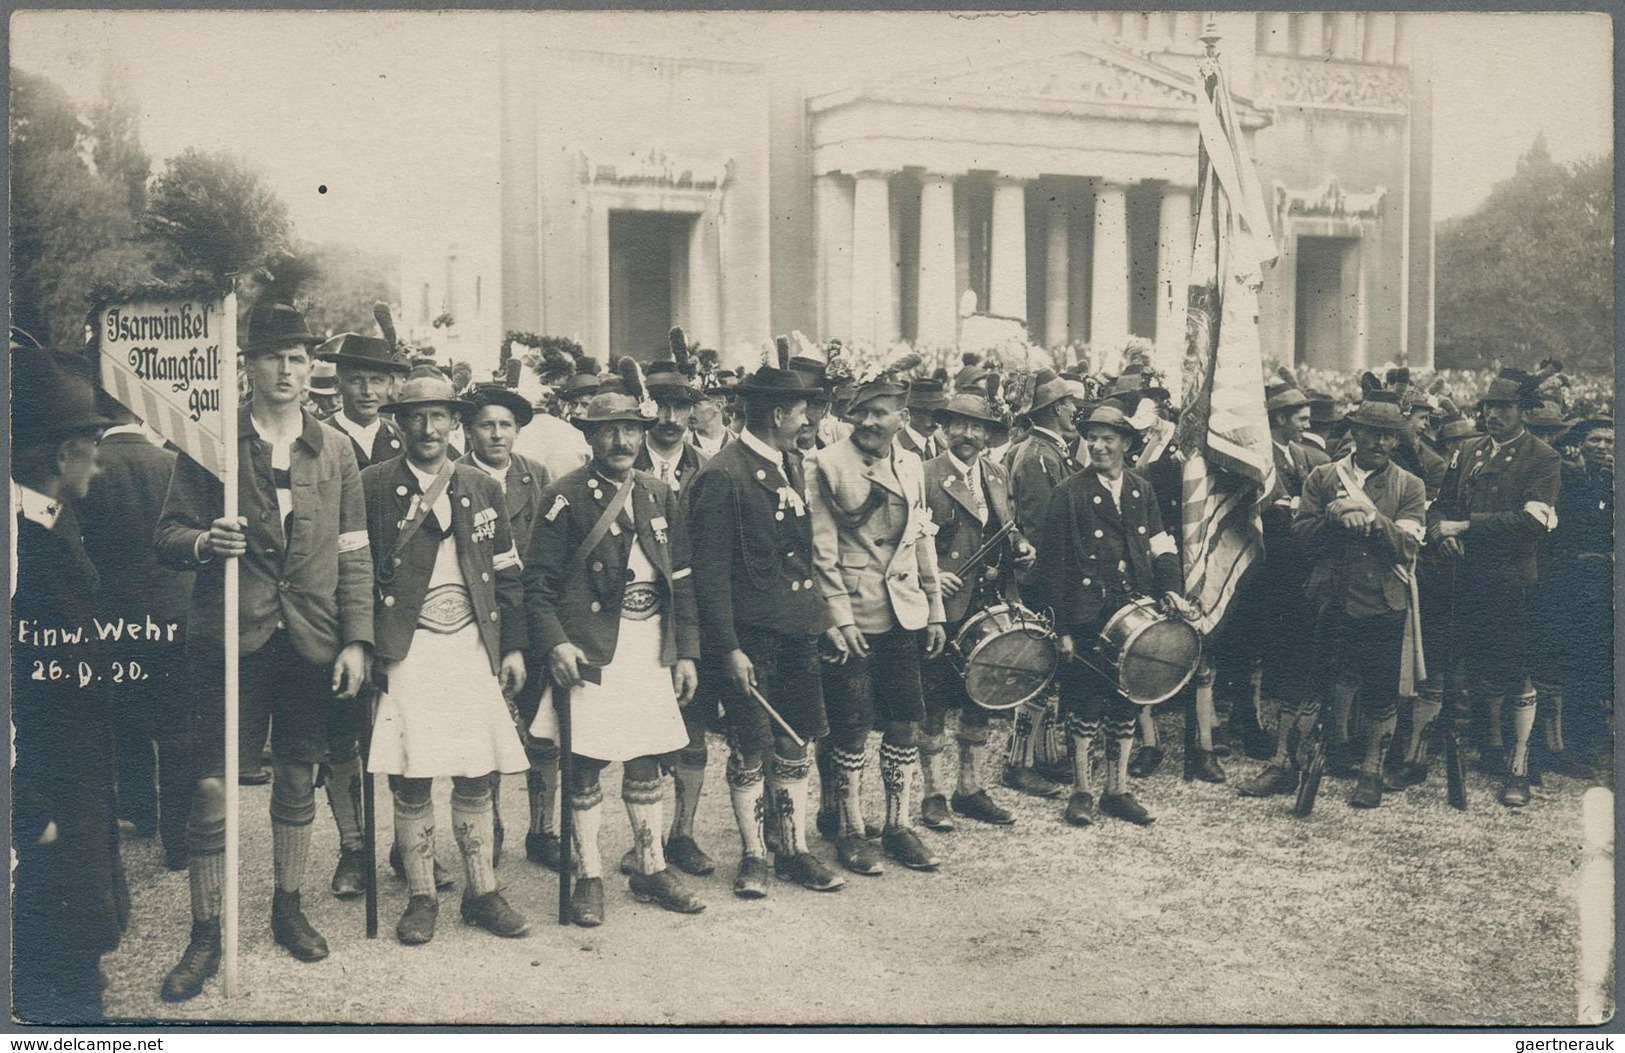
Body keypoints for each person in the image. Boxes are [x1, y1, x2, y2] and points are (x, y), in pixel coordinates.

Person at [156, 303, 374, 1002]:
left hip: (309, 636)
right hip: (229, 635)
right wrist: (202, 542)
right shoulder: (211, 444)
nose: (289, 370)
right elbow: (167, 532)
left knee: (298, 772)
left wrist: (358, 639)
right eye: (275, 356)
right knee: (212, 784)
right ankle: (205, 929)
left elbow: (354, 552)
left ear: (313, 370)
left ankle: (287, 904)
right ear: (246, 365)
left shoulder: (335, 447)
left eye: (300, 358)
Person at [525, 390, 705, 926]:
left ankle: (650, 866)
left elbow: (682, 580)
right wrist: (556, 641)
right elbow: (538, 585)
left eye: (630, 428)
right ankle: (589, 875)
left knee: (646, 756)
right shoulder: (565, 497)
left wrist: (687, 653)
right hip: (591, 651)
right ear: (588, 436)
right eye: (608, 430)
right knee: (585, 764)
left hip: (649, 646)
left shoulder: (658, 493)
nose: (621, 440)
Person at [362, 375, 531, 944]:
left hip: (469, 644)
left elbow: (507, 572)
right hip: (406, 650)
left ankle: (482, 891)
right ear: (398, 424)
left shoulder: (482, 486)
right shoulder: (371, 486)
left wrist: (511, 646)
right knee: (411, 777)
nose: (429, 429)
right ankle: (421, 896)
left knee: (475, 770)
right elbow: (356, 576)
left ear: (454, 422)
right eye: (416, 417)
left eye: (439, 417)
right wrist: (365, 646)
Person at [686, 366, 848, 896]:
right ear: (779, 415)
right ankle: (754, 855)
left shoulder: (790, 465)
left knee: (794, 739)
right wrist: (728, 647)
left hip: (794, 631)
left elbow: (797, 560)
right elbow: (709, 576)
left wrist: (822, 621)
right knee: (749, 746)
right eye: (802, 412)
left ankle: (793, 848)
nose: (807, 422)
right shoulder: (723, 475)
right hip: (750, 640)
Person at [12, 349, 126, 1023]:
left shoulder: (54, 519)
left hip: (76, 766)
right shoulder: (20, 543)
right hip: (43, 785)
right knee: (51, 955)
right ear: (59, 457)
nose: (97, 465)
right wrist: (27, 806)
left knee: (79, 926)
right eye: (89, 450)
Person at [1242, 394, 1426, 808]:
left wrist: (1373, 518)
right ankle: (1283, 764)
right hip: (1324, 597)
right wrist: (1334, 515)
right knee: (1301, 685)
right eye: (1371, 433)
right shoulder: (1323, 477)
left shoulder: (1409, 485)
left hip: (1380, 600)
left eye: (1388, 437)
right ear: (1354, 433)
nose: (1379, 443)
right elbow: (1300, 535)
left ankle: (1371, 772)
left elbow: (1408, 545)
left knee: (1380, 692)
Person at [806, 371, 948, 875]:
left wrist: (934, 609)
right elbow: (822, 552)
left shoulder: (911, 464)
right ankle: (849, 827)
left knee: (905, 722)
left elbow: (921, 539)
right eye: (861, 411)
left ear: (901, 418)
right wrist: (837, 619)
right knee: (850, 727)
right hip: (856, 615)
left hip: (903, 612)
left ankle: (898, 825)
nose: (868, 421)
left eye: (880, 412)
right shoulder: (824, 465)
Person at [1029, 404, 1191, 828]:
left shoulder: (1140, 488)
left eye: (1108, 439)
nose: (1099, 446)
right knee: (1084, 702)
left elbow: (1161, 543)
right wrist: (1061, 628)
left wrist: (1171, 588)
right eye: (1093, 438)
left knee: (1126, 700)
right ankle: (1082, 791)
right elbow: (1052, 564)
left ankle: (1117, 790)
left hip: (1132, 610)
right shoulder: (1070, 491)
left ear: (1126, 444)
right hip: (1086, 614)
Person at [1428, 369, 1562, 807]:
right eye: (1488, 406)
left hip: (1509, 582)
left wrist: (1464, 527)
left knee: (1515, 671)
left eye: (1503, 407)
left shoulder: (1542, 457)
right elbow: (1440, 507)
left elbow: (1533, 521)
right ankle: (1479, 747)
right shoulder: (1467, 451)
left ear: (1523, 412)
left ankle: (1518, 767)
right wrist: (1441, 534)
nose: (1493, 414)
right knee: (1455, 666)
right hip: (1460, 579)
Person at [77, 397, 195, 870]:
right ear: (141, 414)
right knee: (177, 726)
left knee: (122, 716)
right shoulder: (173, 464)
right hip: (174, 614)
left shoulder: (88, 467)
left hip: (111, 617)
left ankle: (139, 808)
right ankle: (179, 840)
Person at [918, 392, 1034, 829]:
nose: (968, 434)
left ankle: (970, 788)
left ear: (988, 434)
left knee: (980, 696)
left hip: (988, 606)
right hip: (943, 609)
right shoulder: (925, 475)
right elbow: (909, 539)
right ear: (945, 429)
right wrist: (929, 577)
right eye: (960, 425)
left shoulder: (997, 473)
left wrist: (1021, 547)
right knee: (932, 703)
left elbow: (1007, 528)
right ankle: (933, 795)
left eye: (977, 427)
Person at [460, 385, 556, 868]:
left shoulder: (535, 477)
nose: (497, 434)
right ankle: (490, 827)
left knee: (543, 729)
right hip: (482, 619)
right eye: (486, 425)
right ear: (469, 430)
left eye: (505, 425)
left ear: (518, 430)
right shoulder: (455, 478)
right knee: (489, 730)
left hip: (534, 614)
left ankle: (543, 830)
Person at [1002, 370, 1080, 798]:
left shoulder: (1050, 451)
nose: (1075, 410)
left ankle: (1044, 755)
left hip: (1049, 577)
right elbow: (1041, 526)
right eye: (1070, 404)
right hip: (1041, 580)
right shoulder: (1038, 456)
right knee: (1037, 671)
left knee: (1049, 671)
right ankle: (1019, 762)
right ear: (1054, 409)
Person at [1541, 417, 1613, 776]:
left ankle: (1587, 739)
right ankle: (1561, 744)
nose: (1603, 447)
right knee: (1568, 663)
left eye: (1609, 442)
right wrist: (1584, 478)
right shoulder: (1568, 477)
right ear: (1580, 444)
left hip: (1605, 588)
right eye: (1596, 440)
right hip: (1568, 583)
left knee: (1596, 665)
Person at [318, 332, 412, 468]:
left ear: (390, 384)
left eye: (376, 380)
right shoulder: (318, 436)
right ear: (337, 384)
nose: (367, 391)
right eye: (356, 380)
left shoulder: (403, 437)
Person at [897, 377, 947, 459]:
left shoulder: (943, 445)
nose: (935, 423)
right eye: (929, 414)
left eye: (939, 415)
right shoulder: (895, 447)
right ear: (911, 412)